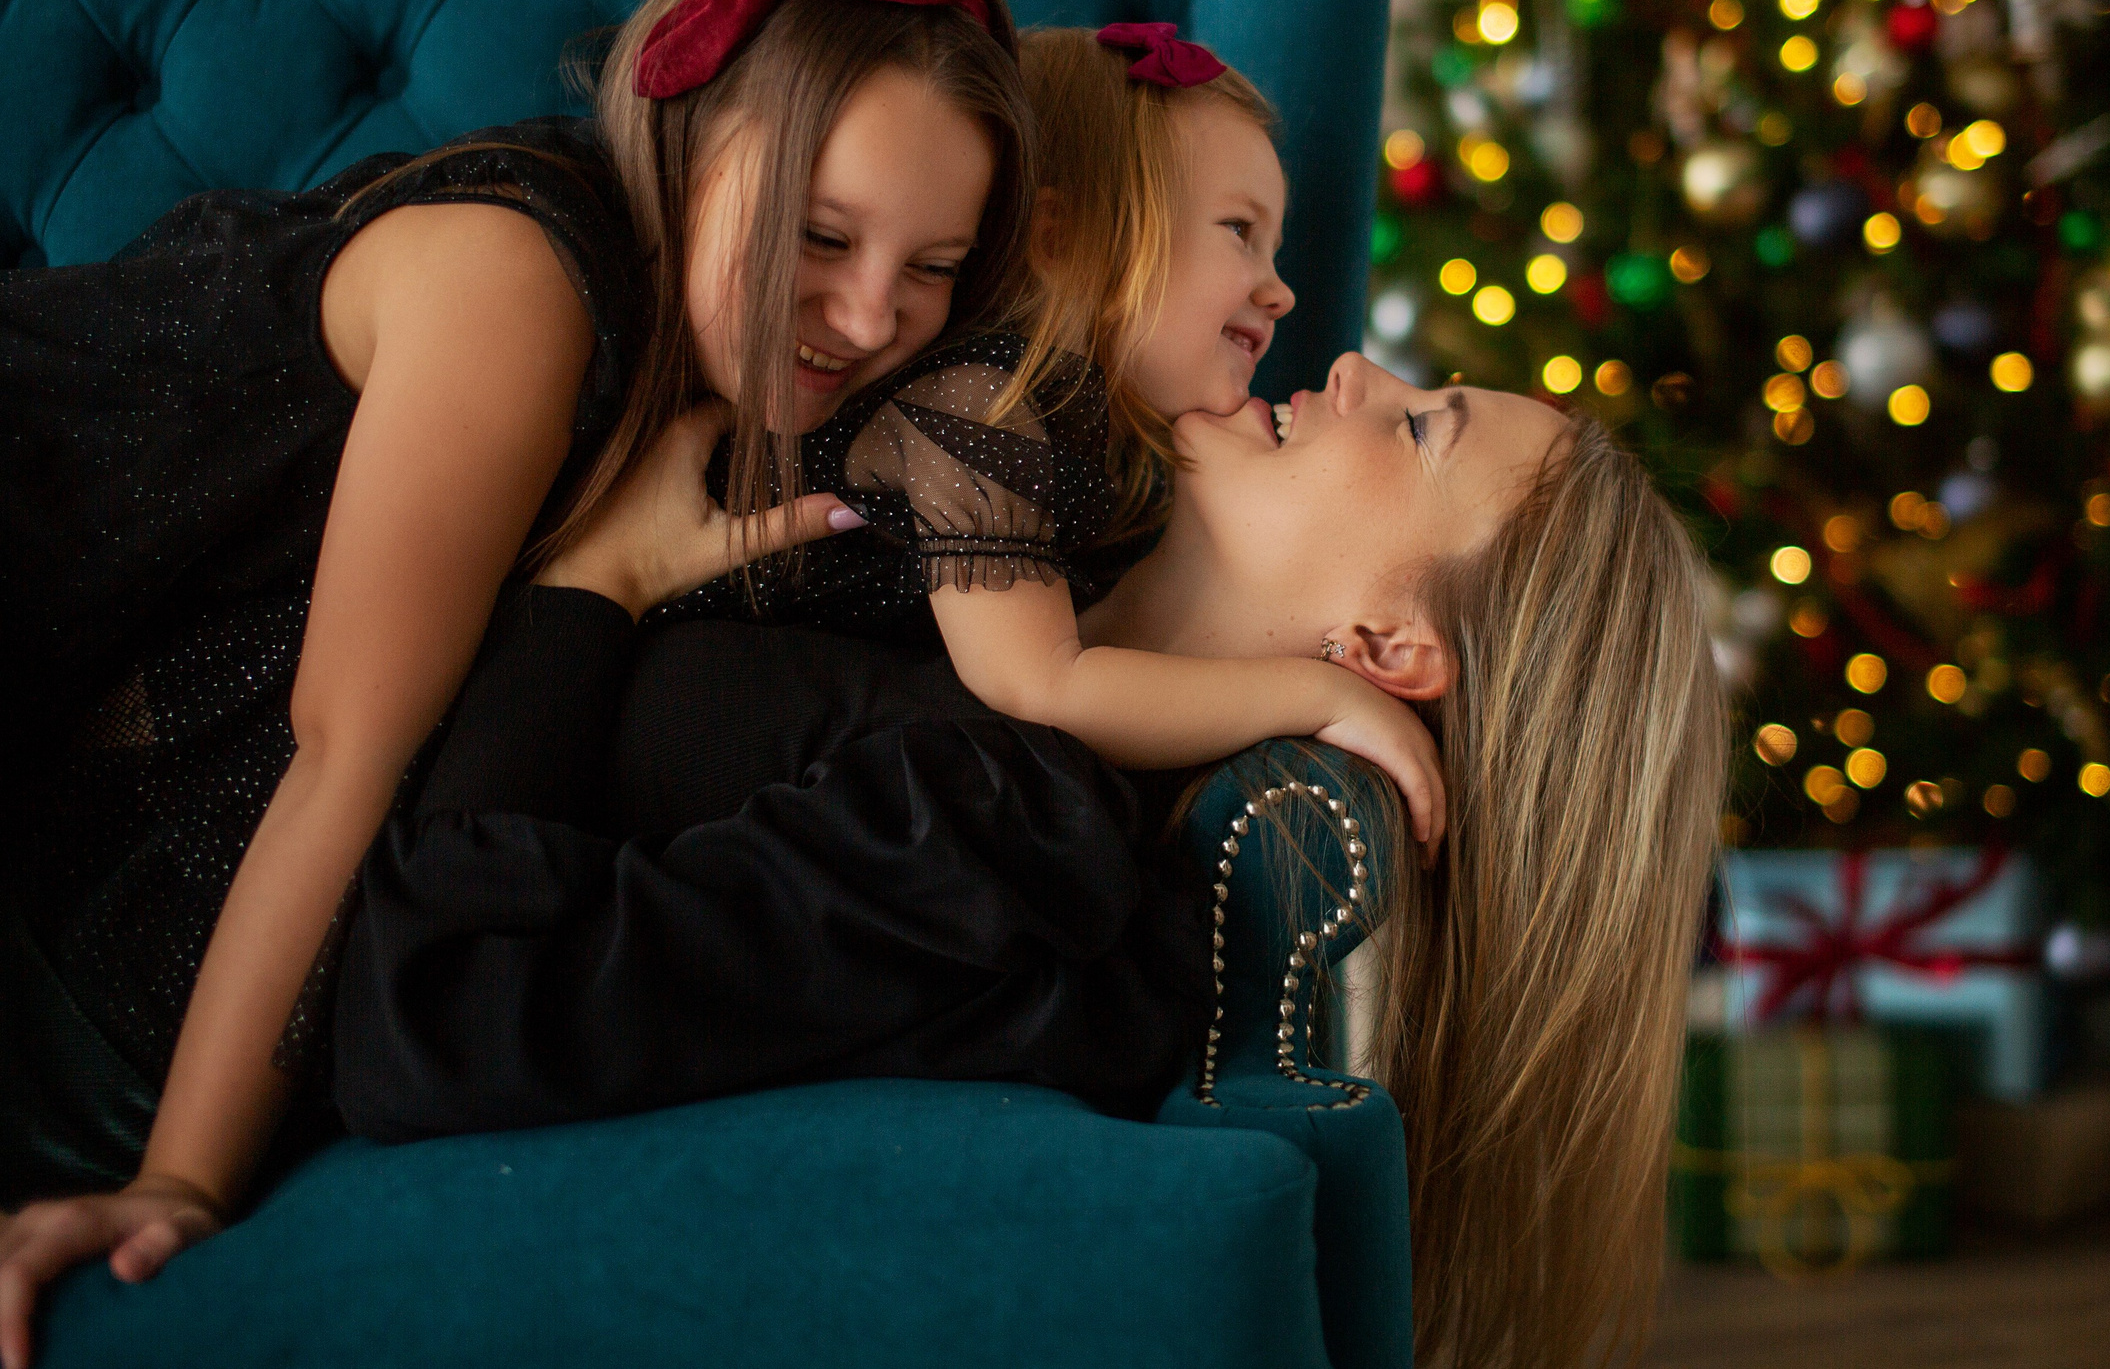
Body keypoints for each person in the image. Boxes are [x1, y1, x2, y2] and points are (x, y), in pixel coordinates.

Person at [0, 0, 1032, 1363]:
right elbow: (342, 747)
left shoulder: (747, 405)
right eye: (819, 231)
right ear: (686, 142)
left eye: (932, 264)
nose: (871, 313)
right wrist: (177, 1182)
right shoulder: (517, 282)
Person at [335, 350, 1728, 1369]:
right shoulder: (1009, 583)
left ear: (1382, 645)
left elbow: (443, 1003)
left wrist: (585, 586)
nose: (1357, 367)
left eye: (1422, 424)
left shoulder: (1012, 828)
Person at [638, 20, 1443, 845]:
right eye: (1241, 231)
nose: (1281, 294)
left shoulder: (1073, 428)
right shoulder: (980, 402)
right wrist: (1322, 695)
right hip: (670, 715)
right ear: (1061, 238)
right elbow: (1042, 683)